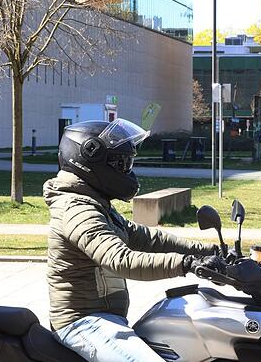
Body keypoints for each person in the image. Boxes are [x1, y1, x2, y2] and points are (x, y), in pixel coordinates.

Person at [44, 119, 220, 362]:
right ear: (89, 159)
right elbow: (120, 260)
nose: (127, 171)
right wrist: (186, 264)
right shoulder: (76, 209)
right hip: (82, 322)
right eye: (121, 164)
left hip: (104, 318)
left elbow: (148, 238)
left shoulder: (96, 203)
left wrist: (212, 252)